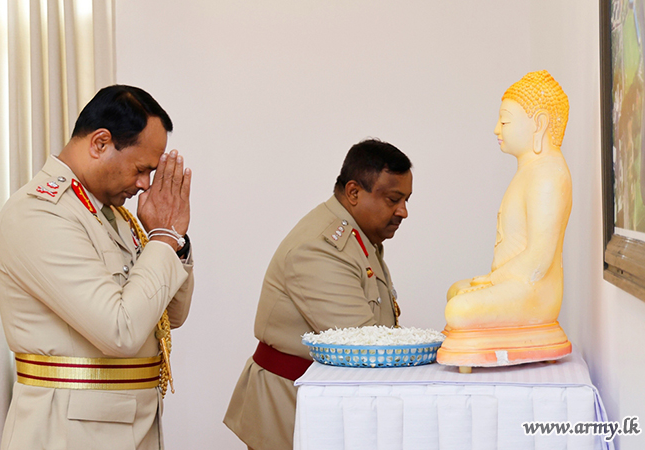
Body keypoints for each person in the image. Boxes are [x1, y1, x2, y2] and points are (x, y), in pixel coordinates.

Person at [0, 85, 194, 450]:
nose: (145, 184)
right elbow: (121, 331)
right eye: (141, 169)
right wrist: (163, 239)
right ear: (101, 143)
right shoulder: (40, 214)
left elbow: (168, 317)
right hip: (68, 434)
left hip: (124, 426)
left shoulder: (111, 215)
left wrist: (174, 240)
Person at [224, 139, 412, 450]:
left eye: (406, 200)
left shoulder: (358, 236)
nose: (403, 211)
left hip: (320, 404)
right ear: (354, 192)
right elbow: (365, 348)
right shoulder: (320, 248)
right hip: (289, 409)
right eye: (394, 199)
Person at [438, 70, 573, 368]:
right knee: (455, 292)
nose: (496, 129)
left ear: (539, 124)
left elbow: (539, 259)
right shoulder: (531, 171)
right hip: (513, 281)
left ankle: (525, 334)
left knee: (458, 309)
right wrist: (492, 281)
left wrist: (492, 280)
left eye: (505, 121)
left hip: (534, 291)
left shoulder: (548, 175)